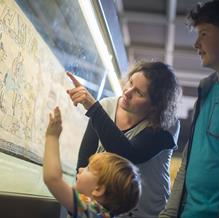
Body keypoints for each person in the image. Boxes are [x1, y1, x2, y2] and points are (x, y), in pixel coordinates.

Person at [160, 1, 219, 218]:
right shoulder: (205, 91)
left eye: (204, 34)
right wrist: (169, 213)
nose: (196, 44)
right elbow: (187, 164)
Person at [66, 61, 181, 218]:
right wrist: (80, 206)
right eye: (131, 82)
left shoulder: (166, 124)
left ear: (155, 105)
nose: (127, 92)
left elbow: (128, 154)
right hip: (106, 211)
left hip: (148, 213)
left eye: (139, 93)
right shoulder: (106, 107)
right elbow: (84, 164)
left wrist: (93, 108)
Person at [43, 107, 141, 217]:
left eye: (88, 169)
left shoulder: (93, 211)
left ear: (98, 189)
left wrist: (52, 136)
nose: (80, 169)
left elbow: (53, 179)